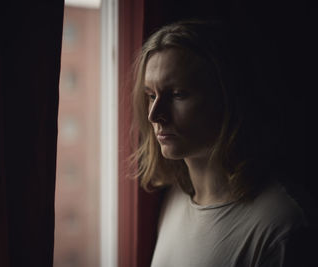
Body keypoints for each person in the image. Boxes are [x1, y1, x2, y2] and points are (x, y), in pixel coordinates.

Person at [130, 19, 312, 266]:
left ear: (227, 98)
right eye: (151, 95)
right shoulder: (176, 197)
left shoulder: (280, 226)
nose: (154, 115)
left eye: (178, 94)